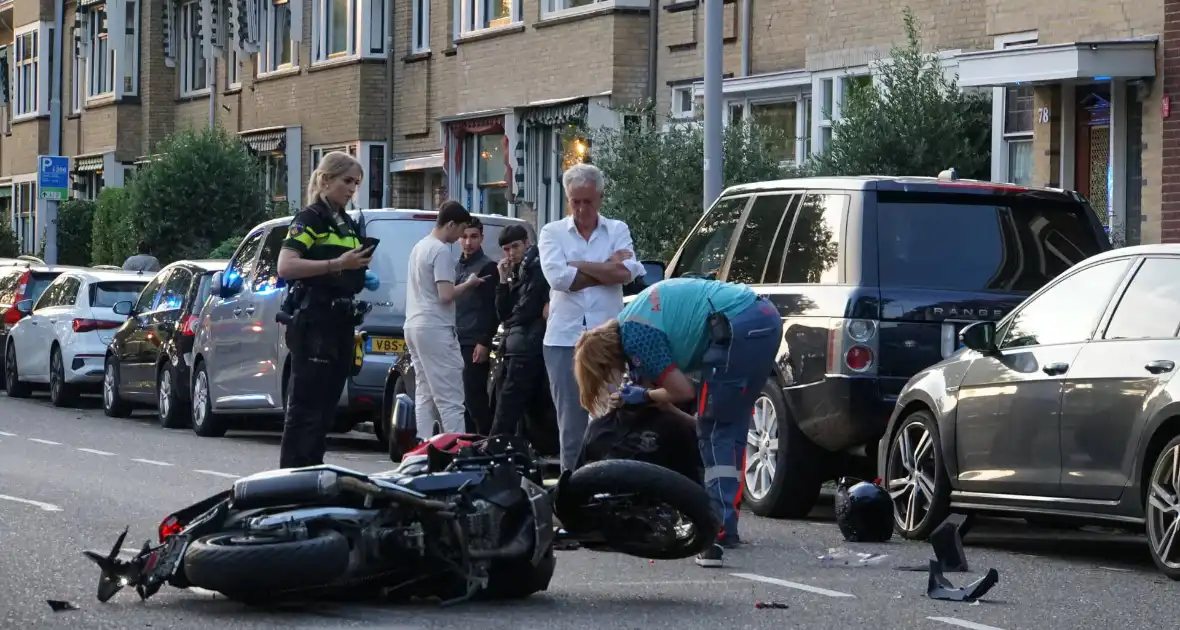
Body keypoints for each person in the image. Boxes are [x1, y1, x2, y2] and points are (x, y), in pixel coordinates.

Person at [572, 277, 783, 568]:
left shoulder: (636, 336)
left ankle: (718, 525)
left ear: (606, 359)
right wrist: (649, 396)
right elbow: (670, 396)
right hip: (762, 318)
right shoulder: (631, 321)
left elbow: (683, 391)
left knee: (716, 430)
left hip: (740, 324)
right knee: (730, 426)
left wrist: (644, 395)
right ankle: (727, 523)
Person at [538, 163, 645, 472]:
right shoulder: (551, 232)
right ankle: (571, 490)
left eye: (588, 201)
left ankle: (605, 485)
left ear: (600, 197)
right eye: (575, 201)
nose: (582, 209)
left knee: (608, 417)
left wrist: (580, 263)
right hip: (563, 338)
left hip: (607, 336)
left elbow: (626, 273)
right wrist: (605, 268)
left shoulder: (617, 229)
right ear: (567, 198)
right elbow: (559, 279)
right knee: (570, 425)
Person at [275, 151, 378, 469]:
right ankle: (292, 478)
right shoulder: (311, 218)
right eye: (347, 181)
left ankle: (312, 474)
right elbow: (286, 265)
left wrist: (359, 271)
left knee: (326, 409)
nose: (352, 189)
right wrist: (337, 264)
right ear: (325, 180)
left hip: (340, 322)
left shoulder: (344, 221)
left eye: (356, 183)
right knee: (306, 408)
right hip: (316, 320)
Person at [404, 201, 483, 440]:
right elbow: (446, 295)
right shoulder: (440, 251)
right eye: (461, 230)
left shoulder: (419, 247)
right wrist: (468, 284)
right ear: (450, 224)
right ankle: (456, 451)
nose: (462, 237)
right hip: (435, 327)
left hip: (414, 324)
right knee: (451, 398)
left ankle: (424, 446)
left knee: (425, 392)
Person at [489, 225, 550, 439]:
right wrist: (503, 281)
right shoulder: (516, 270)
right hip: (516, 344)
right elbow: (503, 313)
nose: (511, 253)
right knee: (508, 405)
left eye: (515, 246)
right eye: (506, 249)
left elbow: (525, 310)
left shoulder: (537, 268)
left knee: (509, 405)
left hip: (527, 346)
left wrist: (512, 318)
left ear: (527, 243)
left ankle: (494, 448)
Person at [454, 217, 499, 434]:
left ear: (482, 238)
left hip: (473, 340)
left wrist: (484, 341)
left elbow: (491, 309)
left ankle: (485, 441)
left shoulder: (488, 267)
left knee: (475, 399)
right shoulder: (456, 265)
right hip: (456, 338)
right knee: (461, 399)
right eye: (464, 237)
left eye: (473, 237)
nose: (468, 242)